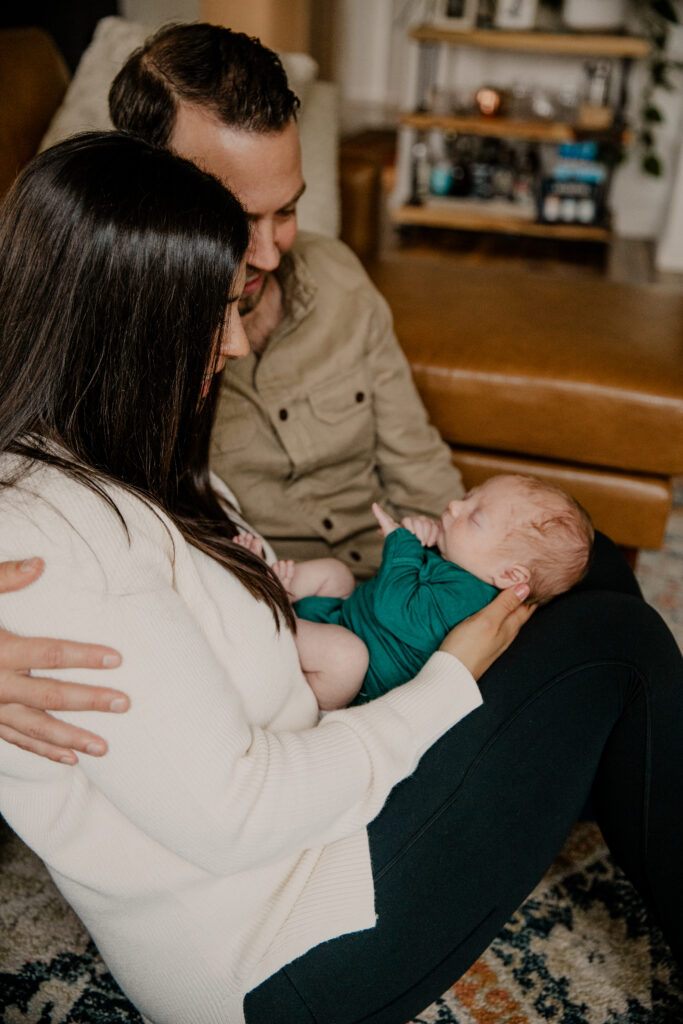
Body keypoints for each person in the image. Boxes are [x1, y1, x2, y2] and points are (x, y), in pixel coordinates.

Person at [0, 130, 532, 1024]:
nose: (238, 344)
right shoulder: (58, 540)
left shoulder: (138, 460)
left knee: (591, 611)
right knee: (606, 647)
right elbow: (237, 814)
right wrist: (447, 683)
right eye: (218, 310)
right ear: (135, 321)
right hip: (272, 951)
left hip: (316, 829)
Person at [268, 474, 594, 709]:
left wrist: (402, 544)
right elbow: (415, 572)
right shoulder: (463, 559)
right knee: (336, 572)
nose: (454, 506)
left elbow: (395, 608)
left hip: (351, 680)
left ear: (510, 574)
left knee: (346, 656)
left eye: (475, 517)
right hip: (345, 615)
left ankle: (265, 624)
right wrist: (423, 534)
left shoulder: (468, 601)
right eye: (469, 496)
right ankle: (274, 586)